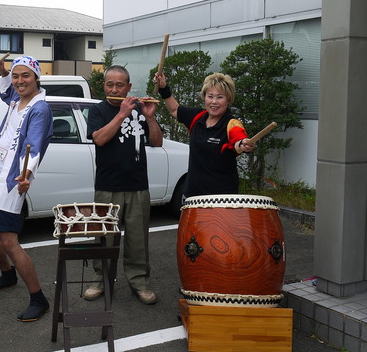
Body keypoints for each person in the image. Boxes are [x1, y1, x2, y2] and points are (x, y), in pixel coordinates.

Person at [0, 55, 53, 322]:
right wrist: (1, 70)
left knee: (9, 240)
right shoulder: (15, 100)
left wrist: (26, 174)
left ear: (37, 78)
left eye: (26, 76)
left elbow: (34, 145)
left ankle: (38, 298)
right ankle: (8, 275)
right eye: (17, 76)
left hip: (11, 179)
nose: (20, 81)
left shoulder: (39, 109)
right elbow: (7, 90)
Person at [83, 65, 163, 305]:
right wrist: (121, 114)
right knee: (104, 236)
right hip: (108, 186)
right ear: (104, 86)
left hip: (138, 185)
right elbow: (99, 138)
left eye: (120, 85)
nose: (115, 89)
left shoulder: (141, 108)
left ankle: (139, 282)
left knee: (138, 239)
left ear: (129, 87)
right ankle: (101, 280)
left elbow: (157, 141)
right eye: (110, 84)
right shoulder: (98, 110)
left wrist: (149, 117)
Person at [153, 71, 255, 197]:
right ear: (204, 97)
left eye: (220, 97)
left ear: (228, 100)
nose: (214, 102)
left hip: (221, 198)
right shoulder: (197, 117)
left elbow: (239, 141)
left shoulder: (232, 124)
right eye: (210, 96)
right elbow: (174, 109)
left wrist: (243, 144)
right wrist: (163, 87)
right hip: (193, 195)